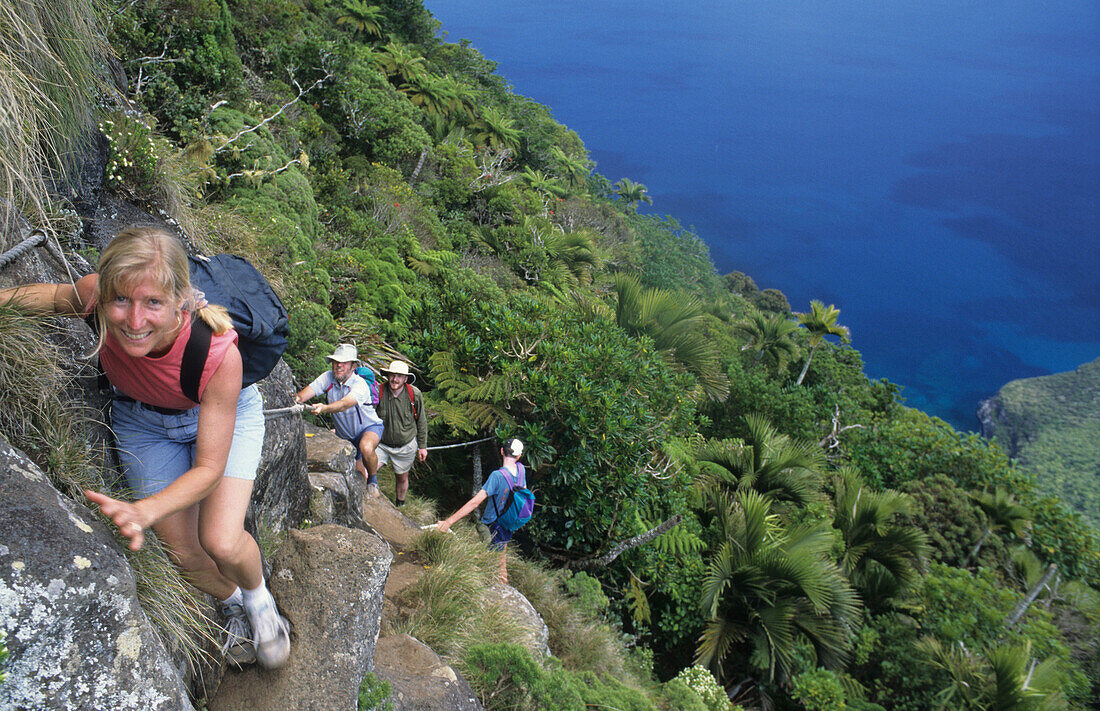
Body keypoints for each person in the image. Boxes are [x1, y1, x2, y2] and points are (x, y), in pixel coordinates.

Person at [0, 226, 290, 668]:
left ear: (181, 300)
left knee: (221, 540)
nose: (134, 322)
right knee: (184, 553)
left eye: (153, 303)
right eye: (122, 301)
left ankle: (259, 600)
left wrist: (144, 511)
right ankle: (232, 600)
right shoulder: (96, 295)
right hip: (143, 419)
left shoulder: (216, 351)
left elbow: (209, 469)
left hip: (222, 411)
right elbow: (54, 297)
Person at [294, 344, 384, 496]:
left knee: (366, 447)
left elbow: (344, 404)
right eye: (336, 361)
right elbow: (304, 395)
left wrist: (324, 408)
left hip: (369, 428)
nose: (339, 365)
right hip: (346, 435)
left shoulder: (359, 384)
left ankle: (373, 481)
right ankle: (363, 497)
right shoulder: (327, 377)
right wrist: (295, 400)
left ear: (353, 366)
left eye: (344, 362)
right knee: (357, 474)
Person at [435, 437, 525, 585]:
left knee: (498, 564)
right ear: (519, 456)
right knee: (500, 559)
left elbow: (475, 502)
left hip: (492, 525)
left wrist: (448, 522)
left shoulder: (497, 476)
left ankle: (501, 593)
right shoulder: (521, 471)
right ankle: (501, 588)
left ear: (502, 451)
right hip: (509, 522)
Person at [374, 360, 427, 507]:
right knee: (368, 469)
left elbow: (421, 421)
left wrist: (422, 446)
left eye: (399, 376)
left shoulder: (414, 394)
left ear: (405, 379)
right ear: (388, 375)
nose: (395, 379)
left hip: (406, 445)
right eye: (392, 375)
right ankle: (368, 498)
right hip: (381, 444)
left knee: (402, 477)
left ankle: (400, 505)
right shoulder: (378, 392)